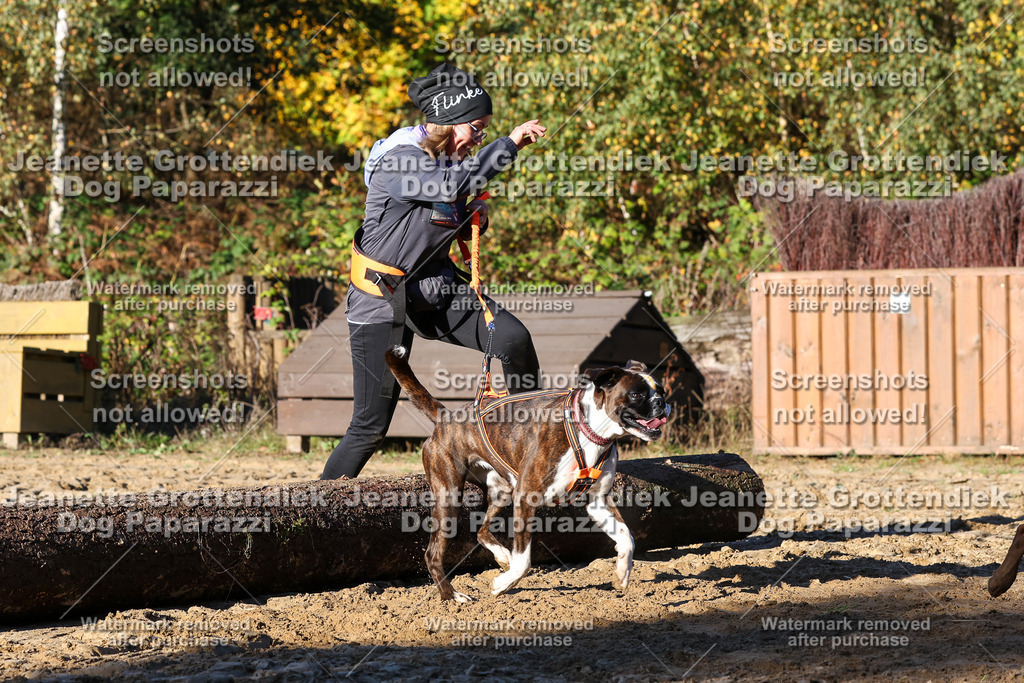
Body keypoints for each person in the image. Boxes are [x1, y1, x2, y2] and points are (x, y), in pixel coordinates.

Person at [320, 62, 547, 480]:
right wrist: (509, 144)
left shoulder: (445, 163)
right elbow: (446, 188)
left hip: (434, 292)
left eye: (484, 132)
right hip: (380, 299)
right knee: (369, 427)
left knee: (513, 339)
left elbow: (441, 208)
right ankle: (317, 506)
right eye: (476, 129)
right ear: (449, 122)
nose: (478, 139)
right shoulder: (399, 160)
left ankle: (530, 449)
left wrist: (471, 216)